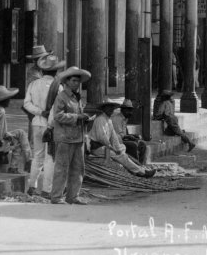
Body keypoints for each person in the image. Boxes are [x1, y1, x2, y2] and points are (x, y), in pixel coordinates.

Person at [22, 54, 65, 198]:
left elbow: (26, 104)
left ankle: (32, 186)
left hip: (36, 123)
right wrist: (50, 118)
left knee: (37, 156)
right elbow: (57, 108)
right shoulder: (58, 87)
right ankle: (47, 189)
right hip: (51, 126)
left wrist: (40, 112)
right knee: (50, 157)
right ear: (56, 71)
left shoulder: (33, 84)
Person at [49, 66, 91, 205]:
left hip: (78, 137)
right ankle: (56, 197)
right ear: (66, 82)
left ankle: (73, 196)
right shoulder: (61, 97)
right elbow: (58, 116)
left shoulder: (76, 97)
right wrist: (78, 117)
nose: (76, 83)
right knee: (62, 168)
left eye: (78, 81)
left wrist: (84, 118)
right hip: (64, 138)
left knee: (78, 168)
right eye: (73, 81)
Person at [89, 102, 155, 178]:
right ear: (104, 109)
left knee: (122, 149)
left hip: (105, 146)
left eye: (112, 108)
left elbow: (113, 137)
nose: (111, 110)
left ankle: (139, 168)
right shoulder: (100, 120)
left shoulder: (109, 120)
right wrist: (113, 148)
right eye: (108, 108)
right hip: (97, 147)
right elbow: (102, 137)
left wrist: (117, 147)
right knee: (120, 155)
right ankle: (141, 172)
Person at [0, 85, 31, 174]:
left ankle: (27, 160)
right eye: (8, 99)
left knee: (20, 133)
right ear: (4, 100)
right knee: (19, 141)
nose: (10, 101)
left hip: (2, 137)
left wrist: (6, 134)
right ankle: (25, 162)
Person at [113, 99, 149, 165]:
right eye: (128, 110)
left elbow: (125, 133)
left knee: (142, 143)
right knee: (133, 145)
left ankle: (141, 164)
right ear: (123, 110)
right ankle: (135, 165)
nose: (130, 113)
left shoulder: (125, 119)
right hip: (117, 141)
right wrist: (129, 136)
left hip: (122, 139)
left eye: (131, 110)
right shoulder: (117, 118)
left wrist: (133, 135)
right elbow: (119, 136)